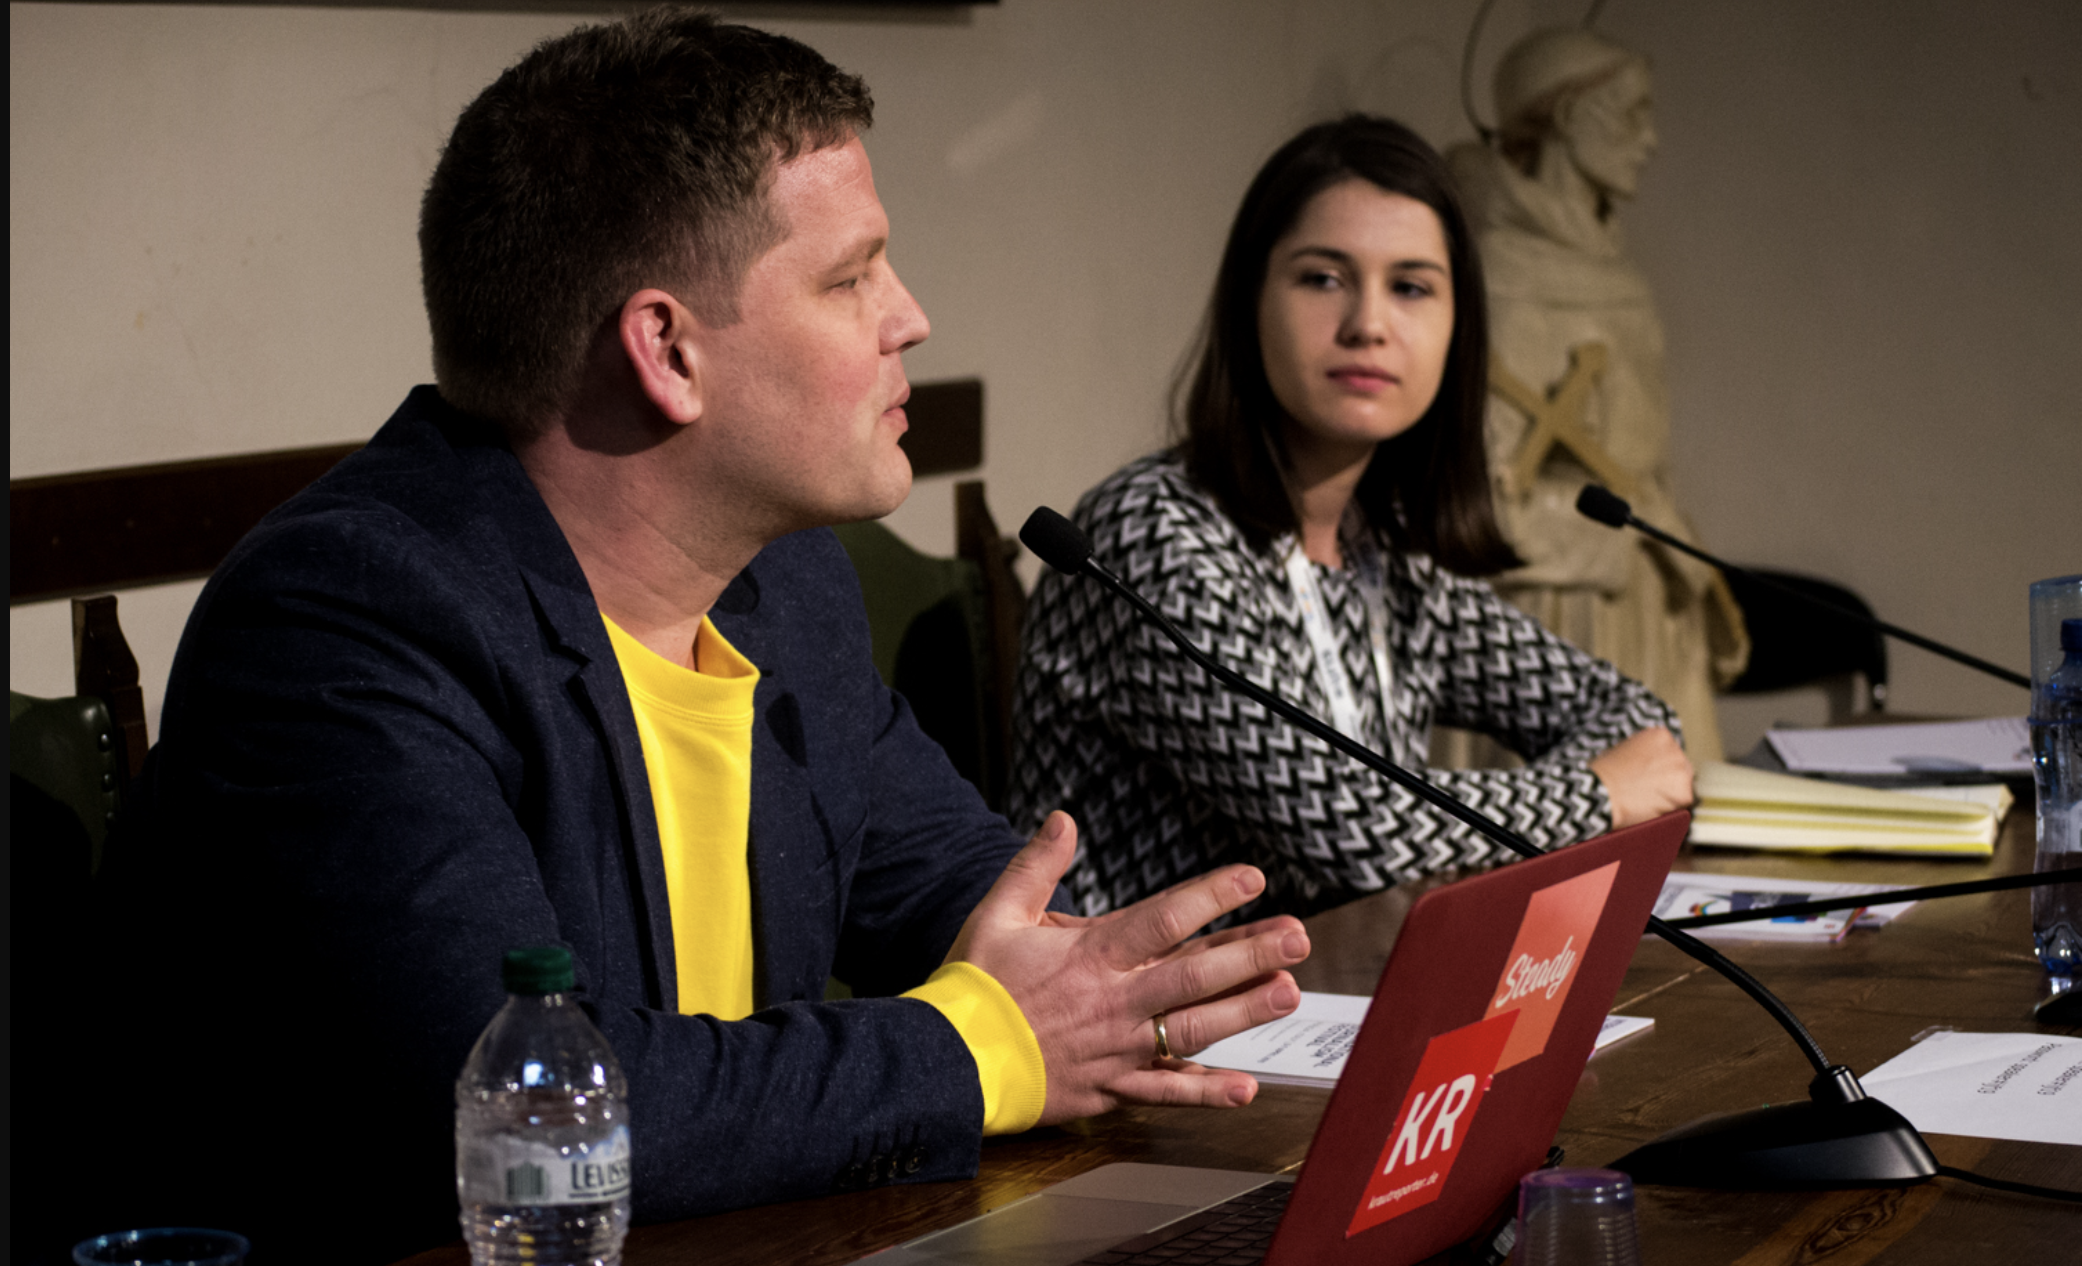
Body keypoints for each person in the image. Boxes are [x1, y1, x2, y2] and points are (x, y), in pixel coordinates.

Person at [71, 13, 1309, 1265]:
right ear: (667, 350)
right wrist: (985, 1043)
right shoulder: (344, 619)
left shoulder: (785, 586)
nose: (911, 317)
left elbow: (975, 901)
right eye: (851, 278)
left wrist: (1116, 984)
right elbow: (539, 1112)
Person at [1010, 115, 1694, 924]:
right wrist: (1593, 794)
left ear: (1458, 328)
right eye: (1323, 278)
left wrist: (1613, 779)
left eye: (1411, 287)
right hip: (1140, 993)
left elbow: (1639, 727)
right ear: (1249, 301)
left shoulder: (1385, 553)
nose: (1368, 323)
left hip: (1333, 978)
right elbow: (1351, 826)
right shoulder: (1152, 534)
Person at [1445, 28, 1749, 763]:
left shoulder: (1620, 279)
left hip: (1645, 598)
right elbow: (1475, 491)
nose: (1651, 140)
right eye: (1632, 113)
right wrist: (1618, 527)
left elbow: (1644, 455)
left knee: (1668, 817)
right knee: (1570, 815)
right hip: (1553, 607)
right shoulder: (1496, 276)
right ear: (1568, 115)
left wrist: (1669, 541)